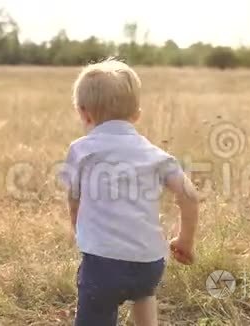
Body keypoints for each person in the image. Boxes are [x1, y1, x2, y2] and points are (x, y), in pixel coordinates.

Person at [60, 59, 200, 326]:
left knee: (98, 309)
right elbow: (190, 196)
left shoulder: (82, 150)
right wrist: (184, 240)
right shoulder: (156, 155)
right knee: (143, 294)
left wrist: (78, 229)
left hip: (102, 263)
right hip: (149, 262)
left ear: (84, 113)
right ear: (137, 114)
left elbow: (73, 198)